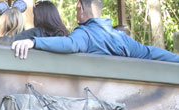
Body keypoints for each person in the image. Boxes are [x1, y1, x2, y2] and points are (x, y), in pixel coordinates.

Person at [12, 0, 179, 62]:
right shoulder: (121, 38)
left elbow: (70, 44)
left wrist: (33, 41)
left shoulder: (84, 34)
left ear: (80, 8)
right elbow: (151, 52)